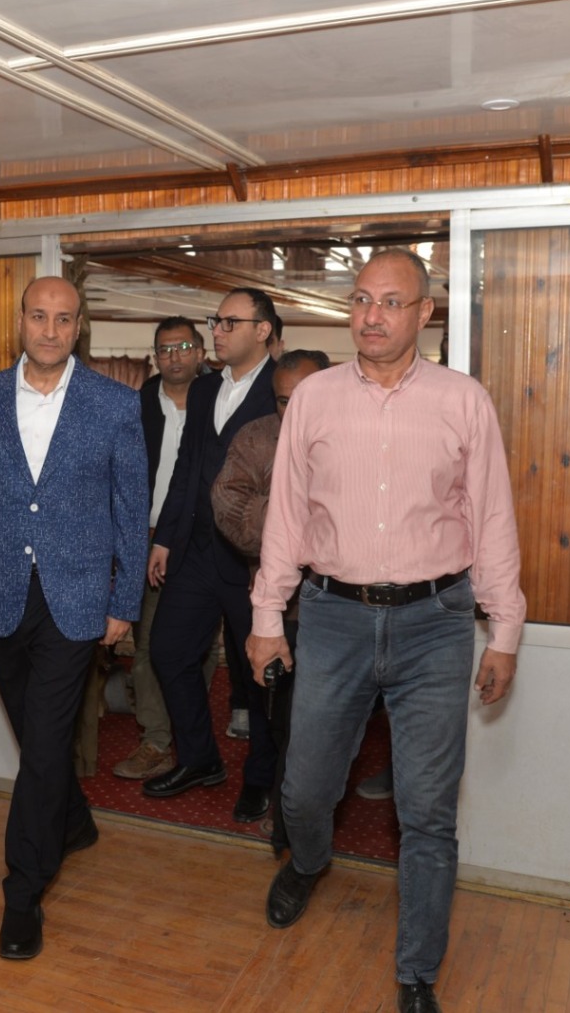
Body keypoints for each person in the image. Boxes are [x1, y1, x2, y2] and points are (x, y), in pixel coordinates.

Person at [246, 250, 525, 1013]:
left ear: (424, 313)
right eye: (361, 299)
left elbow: (492, 518)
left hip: (436, 623)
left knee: (427, 809)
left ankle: (416, 972)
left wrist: (504, 629)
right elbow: (286, 517)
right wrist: (267, 617)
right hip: (332, 616)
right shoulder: (315, 398)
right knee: (305, 788)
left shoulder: (463, 401)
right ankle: (309, 860)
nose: (371, 315)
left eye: (391, 302)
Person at [0, 276, 147, 961]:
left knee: (49, 740)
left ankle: (23, 890)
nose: (50, 330)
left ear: (78, 325)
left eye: (63, 318)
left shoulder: (114, 404)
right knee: (37, 737)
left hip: (76, 597)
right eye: (39, 316)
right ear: (21, 320)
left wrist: (123, 603)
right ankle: (74, 822)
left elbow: (130, 511)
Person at [143, 287, 280, 825]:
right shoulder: (203, 390)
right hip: (197, 552)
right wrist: (165, 539)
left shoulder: (284, 389)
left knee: (258, 675)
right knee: (168, 651)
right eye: (215, 322)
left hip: (254, 561)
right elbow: (186, 469)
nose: (217, 331)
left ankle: (262, 776)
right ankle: (200, 758)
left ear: (262, 330)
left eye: (229, 322)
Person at [211, 348, 331, 848]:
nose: (294, 409)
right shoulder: (257, 437)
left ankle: (304, 820)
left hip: (343, 610)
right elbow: (229, 509)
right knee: (274, 713)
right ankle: (277, 807)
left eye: (306, 396)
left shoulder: (358, 434)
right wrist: (295, 518)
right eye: (284, 400)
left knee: (324, 723)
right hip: (277, 608)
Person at [113, 317, 208, 780]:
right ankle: (155, 739)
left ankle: (193, 739)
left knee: (197, 645)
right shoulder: (138, 405)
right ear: (155, 357)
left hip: (203, 542)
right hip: (146, 539)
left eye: (184, 347)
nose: (174, 356)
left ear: (201, 352)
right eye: (165, 349)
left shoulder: (219, 400)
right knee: (149, 642)